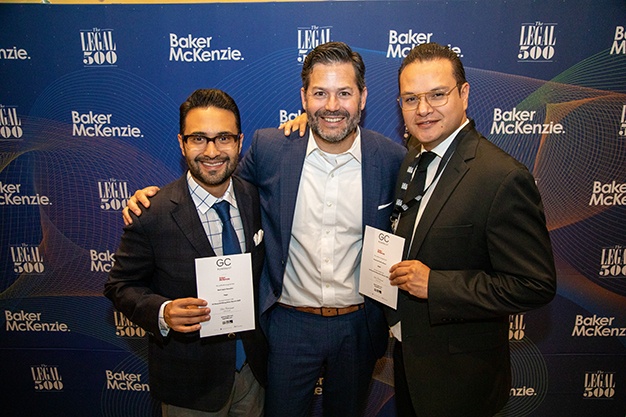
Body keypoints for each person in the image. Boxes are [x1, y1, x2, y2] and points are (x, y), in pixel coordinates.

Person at [124, 42, 406, 417]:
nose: (332, 105)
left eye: (344, 93)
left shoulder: (391, 158)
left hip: (359, 325)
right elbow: (217, 182)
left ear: (363, 97)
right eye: (320, 93)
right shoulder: (271, 148)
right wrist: (155, 198)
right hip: (288, 324)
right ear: (304, 97)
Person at [387, 43, 557, 417]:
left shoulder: (501, 176)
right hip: (410, 364)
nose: (423, 109)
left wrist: (436, 285)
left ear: (464, 94)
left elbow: (535, 284)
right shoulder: (414, 158)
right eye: (411, 99)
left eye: (437, 95)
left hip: (461, 381)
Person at [104, 89, 268, 417]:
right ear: (182, 143)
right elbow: (119, 286)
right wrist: (162, 312)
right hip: (190, 386)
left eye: (224, 138)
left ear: (239, 142)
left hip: (254, 375)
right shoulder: (152, 212)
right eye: (198, 139)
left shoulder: (258, 199)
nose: (212, 151)